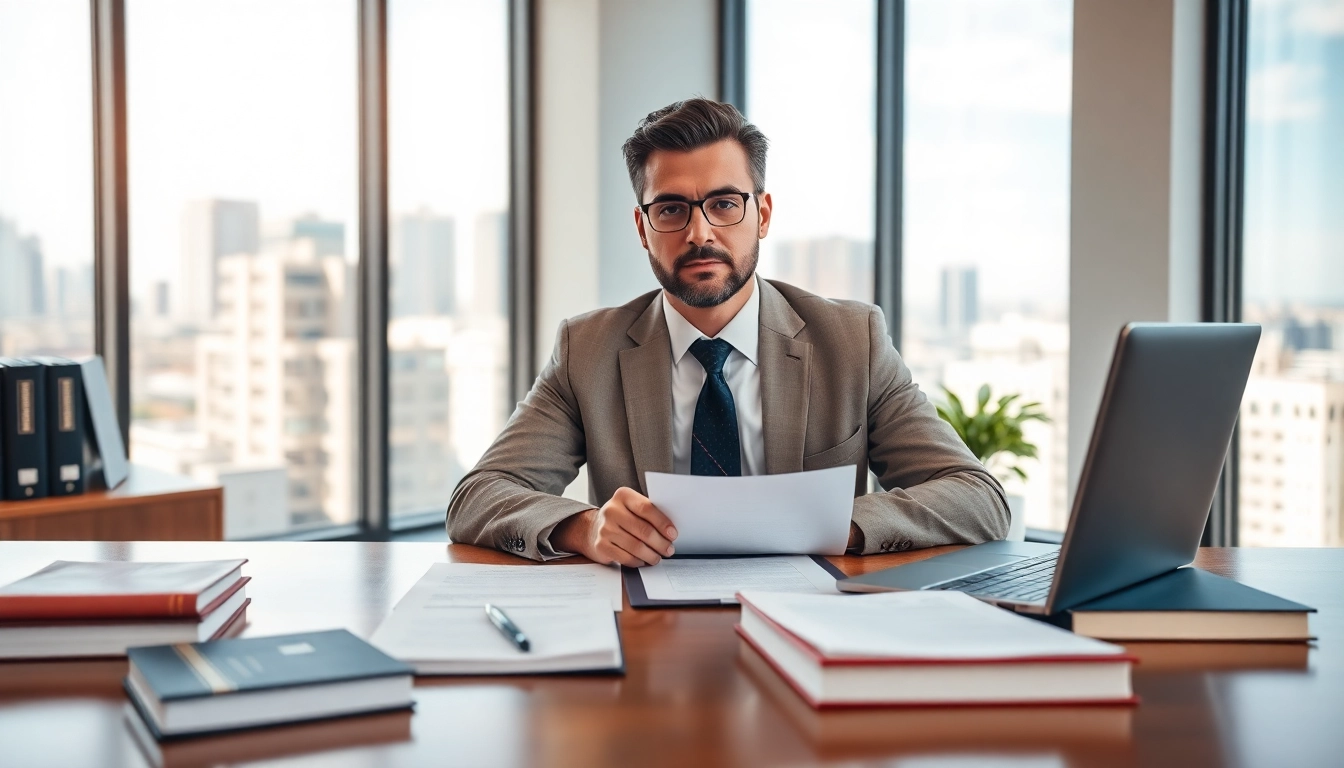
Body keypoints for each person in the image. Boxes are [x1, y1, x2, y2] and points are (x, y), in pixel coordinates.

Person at [447, 98, 1008, 566]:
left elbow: (978, 497)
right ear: (642, 227)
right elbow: (477, 496)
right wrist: (584, 528)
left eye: (723, 204)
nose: (700, 232)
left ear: (762, 214)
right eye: (671, 209)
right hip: (647, 626)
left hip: (811, 619)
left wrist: (836, 525)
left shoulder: (851, 341)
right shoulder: (587, 350)